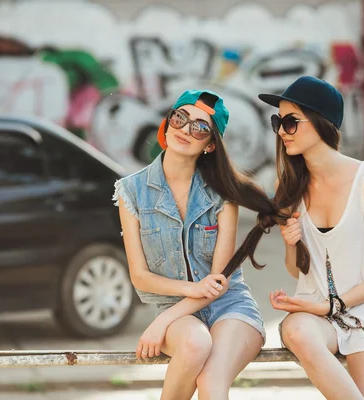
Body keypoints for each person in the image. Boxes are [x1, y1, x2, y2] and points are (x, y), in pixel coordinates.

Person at [256, 76, 364, 400]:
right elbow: (296, 269)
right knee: (294, 328)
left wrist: (333, 304)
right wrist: (290, 243)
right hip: (318, 320)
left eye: (290, 122)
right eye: (278, 122)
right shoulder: (288, 188)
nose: (282, 131)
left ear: (321, 122)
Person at [113, 89, 268, 400]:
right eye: (180, 118)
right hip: (175, 309)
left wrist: (162, 324)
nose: (185, 129)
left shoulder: (223, 194)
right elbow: (140, 277)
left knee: (211, 384)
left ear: (210, 144)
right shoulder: (131, 191)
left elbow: (219, 283)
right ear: (167, 123)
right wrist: (185, 297)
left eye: (199, 127)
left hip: (230, 307)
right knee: (195, 343)